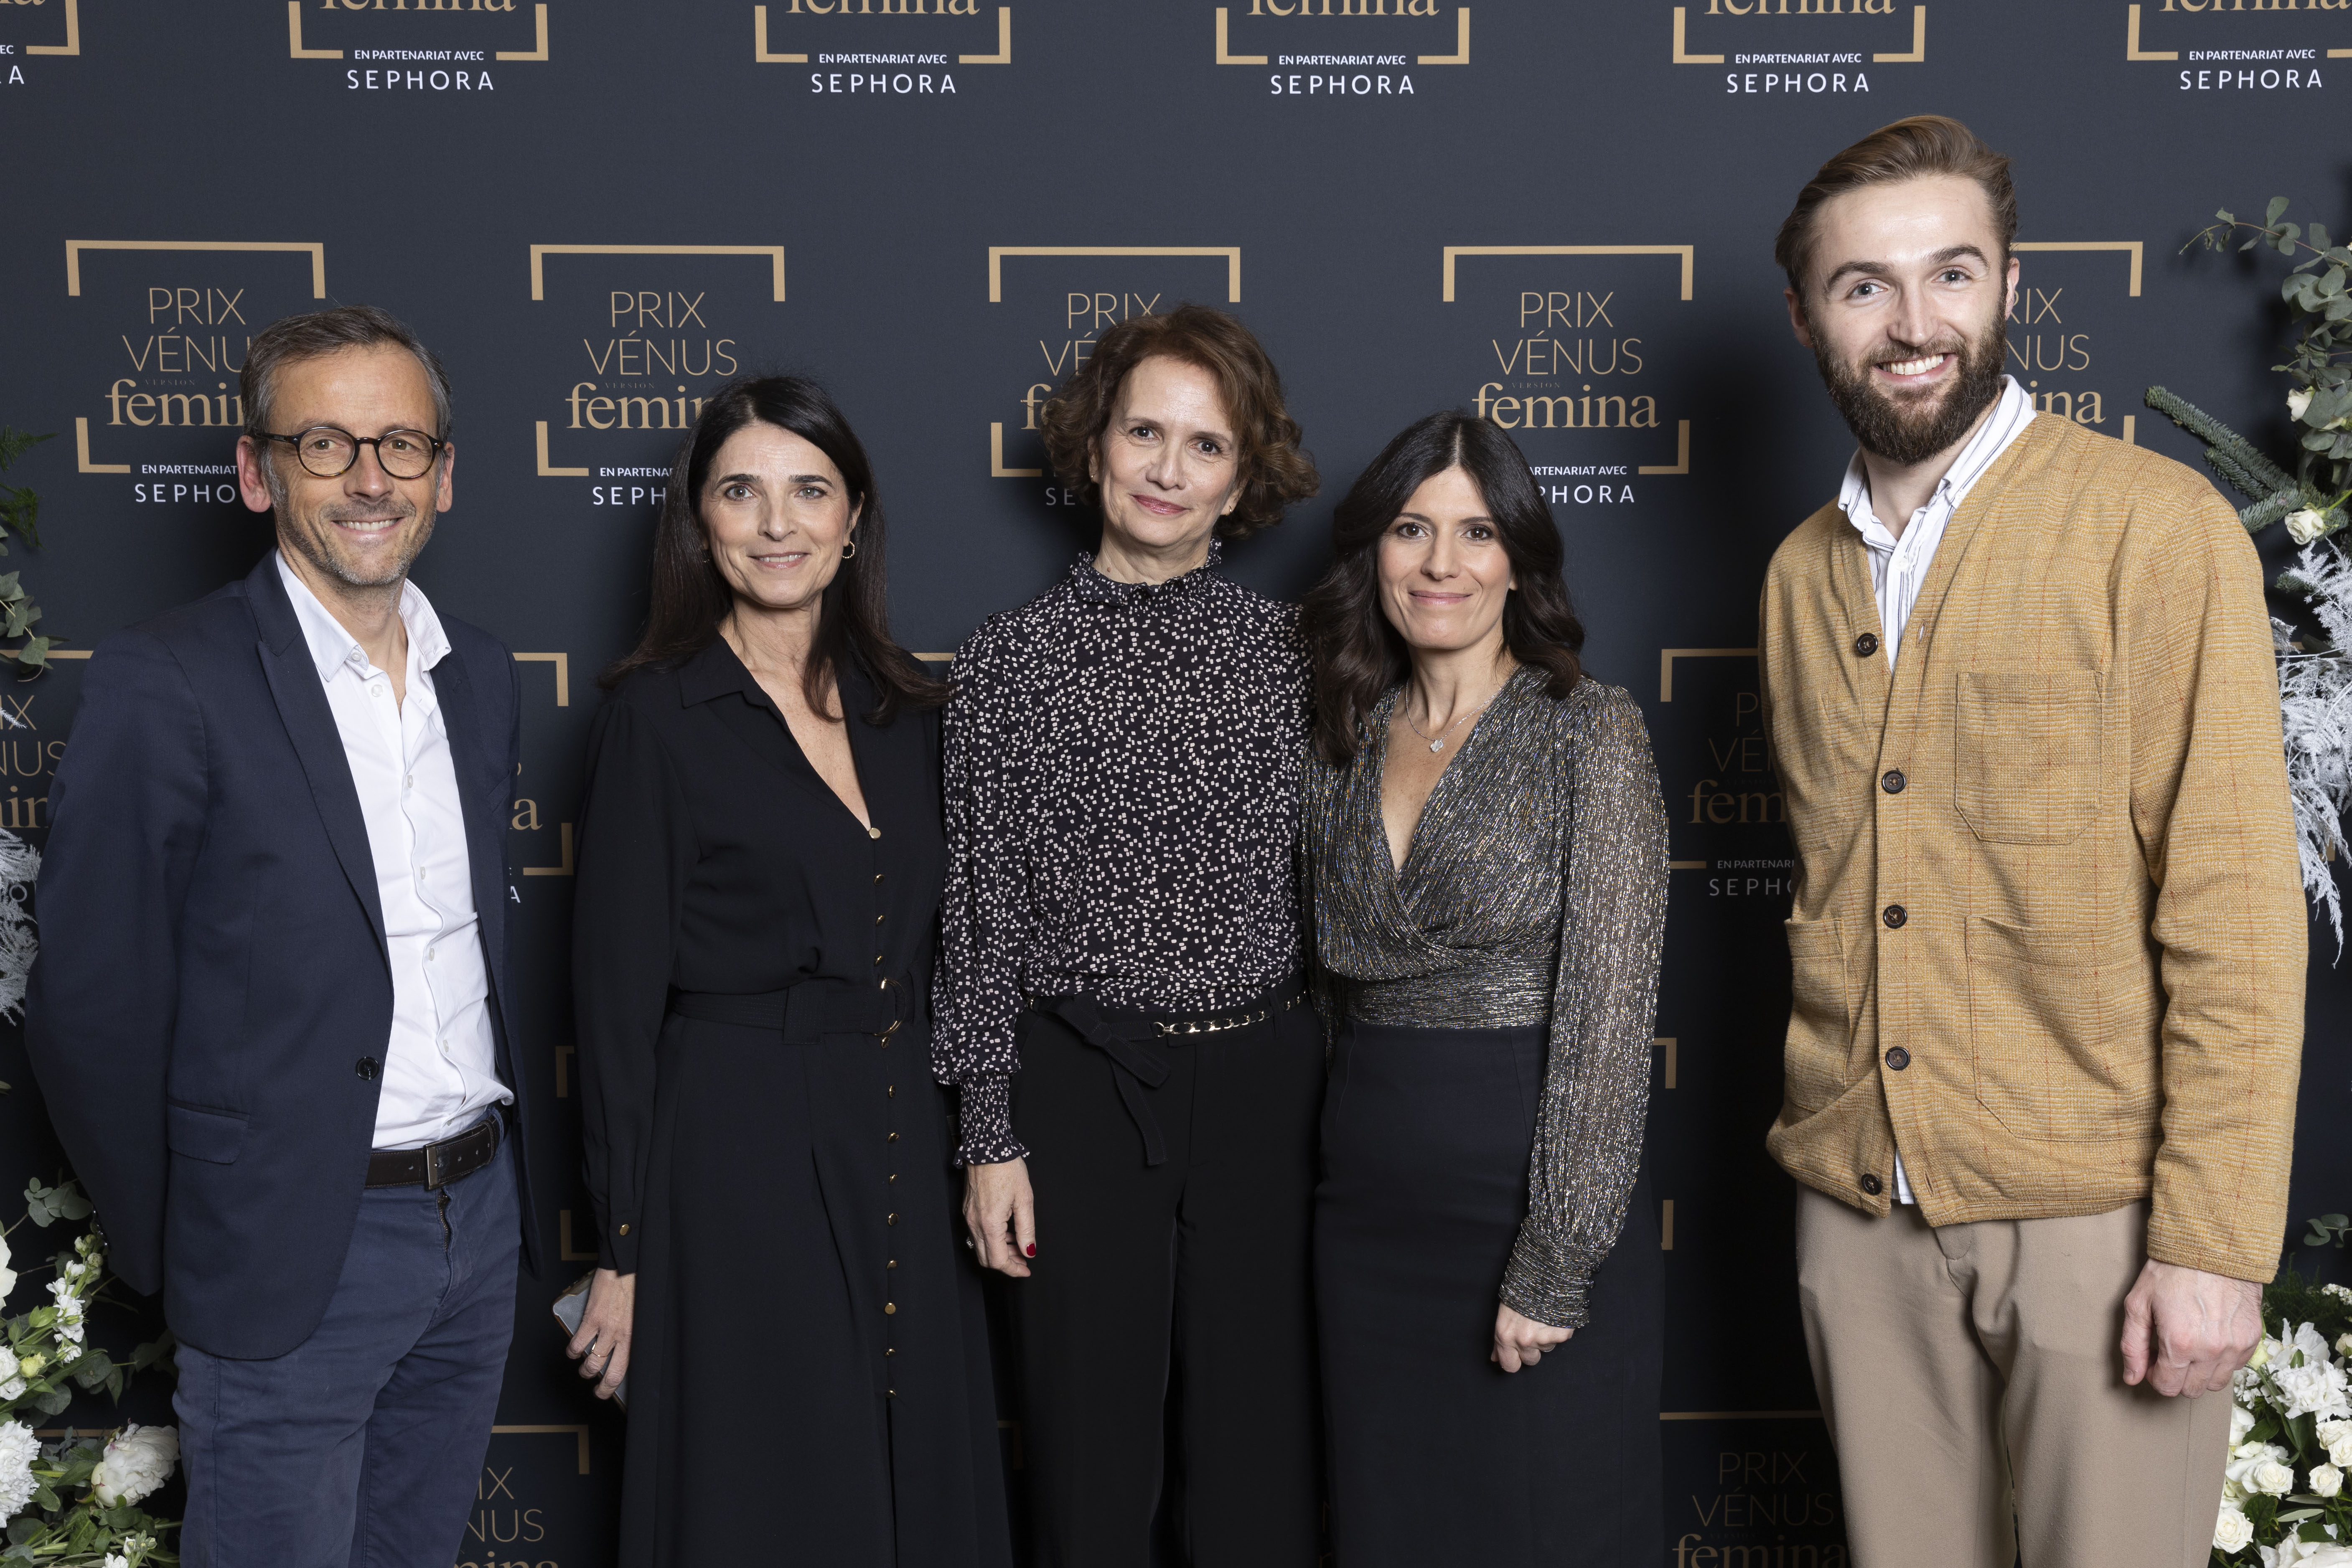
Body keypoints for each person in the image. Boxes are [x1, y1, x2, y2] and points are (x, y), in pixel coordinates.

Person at [1758, 115, 2306, 1568]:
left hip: (2100, 1223)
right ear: (1806, 314)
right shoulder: (1799, 574)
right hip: (1859, 1217)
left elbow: (2240, 911)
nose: (1914, 323)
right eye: (1865, 285)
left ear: (2008, 286)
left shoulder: (2155, 527)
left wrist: (2211, 1245)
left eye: (1952, 273)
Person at [24, 305, 544, 1566]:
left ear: (444, 475)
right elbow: (90, 1007)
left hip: (476, 1224)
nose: (370, 478)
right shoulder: (168, 679)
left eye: (402, 444)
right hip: (289, 1243)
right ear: (259, 474)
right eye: (325, 444)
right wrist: (193, 1239)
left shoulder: (479, 670)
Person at [564, 376, 1010, 1567]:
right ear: (699, 521)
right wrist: (622, 1251)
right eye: (740, 493)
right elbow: (614, 1008)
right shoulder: (656, 717)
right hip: (733, 1145)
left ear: (853, 518)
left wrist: (988, 1139)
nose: (777, 524)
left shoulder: (913, 708)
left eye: (809, 491)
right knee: (777, 1476)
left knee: (908, 1465)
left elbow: (969, 948)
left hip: (901, 1126)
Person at [937, 304, 1324, 1565]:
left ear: (1242, 482)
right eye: (1144, 432)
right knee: (1089, 1464)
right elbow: (983, 910)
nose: (1168, 468)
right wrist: (989, 1135)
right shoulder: (1007, 663)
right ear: (1094, 447)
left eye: (1206, 446)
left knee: (1258, 1465)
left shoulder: (1297, 657)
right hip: (1083, 1089)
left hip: (1268, 1087)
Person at [1298, 411, 1668, 1566]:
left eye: (1476, 532)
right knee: (1392, 1524)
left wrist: (1557, 1256)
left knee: (1548, 1521)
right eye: (1412, 529)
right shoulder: (1342, 732)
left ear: (1520, 557)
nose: (1441, 564)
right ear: (1375, 551)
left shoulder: (1588, 729)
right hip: (1364, 1207)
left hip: (1523, 1191)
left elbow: (1612, 1011)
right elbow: (1324, 993)